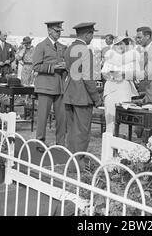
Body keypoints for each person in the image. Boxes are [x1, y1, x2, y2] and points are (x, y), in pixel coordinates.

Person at [63, 22, 103, 157]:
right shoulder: (85, 50)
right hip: (82, 96)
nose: (92, 38)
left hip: (69, 93)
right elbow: (87, 78)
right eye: (92, 34)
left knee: (72, 130)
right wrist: (96, 98)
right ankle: (78, 162)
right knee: (82, 132)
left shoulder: (69, 49)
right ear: (87, 34)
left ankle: (71, 160)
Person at [32, 21, 67, 151]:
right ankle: (40, 143)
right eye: (56, 31)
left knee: (62, 118)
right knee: (42, 117)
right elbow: (36, 66)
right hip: (45, 86)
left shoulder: (63, 47)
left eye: (60, 31)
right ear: (49, 31)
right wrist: (53, 67)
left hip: (59, 86)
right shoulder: (41, 46)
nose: (59, 33)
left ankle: (60, 144)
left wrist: (65, 66)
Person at [102, 36, 140, 133]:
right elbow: (104, 72)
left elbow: (137, 74)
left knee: (123, 118)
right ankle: (109, 144)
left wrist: (123, 74)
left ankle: (122, 144)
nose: (120, 46)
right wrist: (111, 74)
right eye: (117, 44)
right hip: (111, 89)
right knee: (110, 118)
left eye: (122, 44)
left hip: (124, 89)